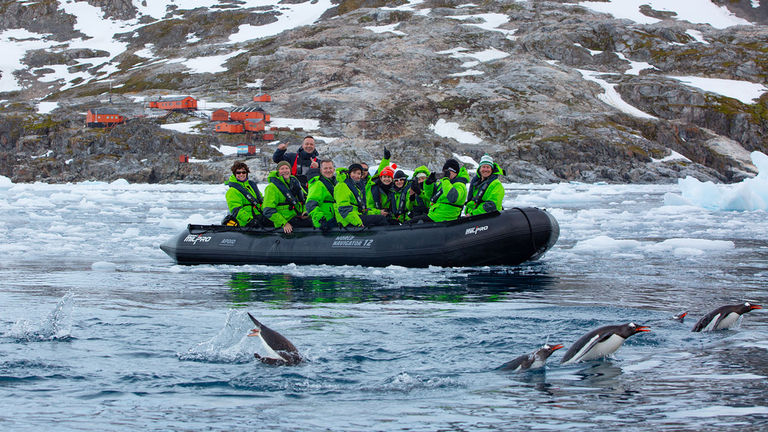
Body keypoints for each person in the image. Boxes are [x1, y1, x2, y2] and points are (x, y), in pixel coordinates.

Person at [412, 158, 470, 223]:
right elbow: (430, 197)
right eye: (445, 171)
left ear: (455, 173)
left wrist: (445, 179)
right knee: (410, 222)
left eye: (449, 171)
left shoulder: (460, 185)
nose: (446, 173)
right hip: (434, 216)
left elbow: (453, 197)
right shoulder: (443, 184)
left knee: (415, 224)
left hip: (444, 218)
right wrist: (428, 184)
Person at [262, 161, 313, 233]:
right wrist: (284, 223)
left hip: (297, 216)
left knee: (314, 220)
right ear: (278, 171)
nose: (285, 171)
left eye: (287, 168)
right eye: (282, 169)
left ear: (290, 170)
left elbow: (305, 199)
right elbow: (268, 210)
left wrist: (305, 211)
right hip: (284, 221)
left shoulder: (294, 182)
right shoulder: (271, 187)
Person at [334, 163, 388, 227]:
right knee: (381, 219)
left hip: (356, 216)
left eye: (359, 173)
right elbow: (344, 209)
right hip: (347, 220)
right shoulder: (342, 186)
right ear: (349, 173)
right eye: (354, 172)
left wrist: (379, 212)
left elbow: (363, 210)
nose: (356, 175)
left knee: (382, 217)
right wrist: (358, 223)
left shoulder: (356, 187)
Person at [224, 161, 267, 227]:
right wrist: (250, 220)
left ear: (247, 173)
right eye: (238, 172)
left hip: (258, 216)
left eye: (243, 172)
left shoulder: (251, 186)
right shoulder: (232, 191)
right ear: (234, 174)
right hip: (245, 222)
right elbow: (237, 210)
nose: (241, 174)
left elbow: (261, 200)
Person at [306, 159, 340, 231]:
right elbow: (310, 204)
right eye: (325, 168)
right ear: (321, 170)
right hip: (324, 224)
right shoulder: (318, 183)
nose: (328, 170)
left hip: (333, 220)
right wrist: (321, 220)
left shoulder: (334, 183)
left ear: (334, 169)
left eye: (330, 168)